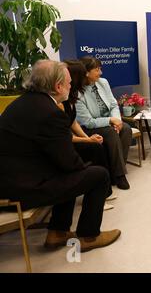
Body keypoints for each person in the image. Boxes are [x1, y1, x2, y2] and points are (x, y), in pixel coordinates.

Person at [0, 60, 121, 252]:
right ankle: (89, 236)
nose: (72, 86)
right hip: (19, 189)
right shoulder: (49, 112)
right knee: (98, 176)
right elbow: (69, 163)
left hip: (10, 180)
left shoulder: (23, 102)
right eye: (69, 82)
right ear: (58, 86)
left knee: (70, 173)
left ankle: (57, 233)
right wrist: (85, 171)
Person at [64, 60, 116, 210]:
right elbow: (64, 135)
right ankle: (101, 195)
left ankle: (106, 191)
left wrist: (87, 139)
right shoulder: (61, 101)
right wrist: (87, 140)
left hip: (72, 136)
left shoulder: (70, 95)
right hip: (64, 142)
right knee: (95, 149)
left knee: (96, 146)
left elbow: (72, 122)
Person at [75, 56, 132, 190]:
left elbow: (113, 104)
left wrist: (116, 120)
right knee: (111, 133)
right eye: (97, 69)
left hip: (109, 122)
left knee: (126, 129)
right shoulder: (78, 93)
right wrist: (110, 121)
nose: (100, 73)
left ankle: (117, 169)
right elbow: (88, 122)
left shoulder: (103, 82)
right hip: (89, 128)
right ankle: (119, 175)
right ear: (86, 72)